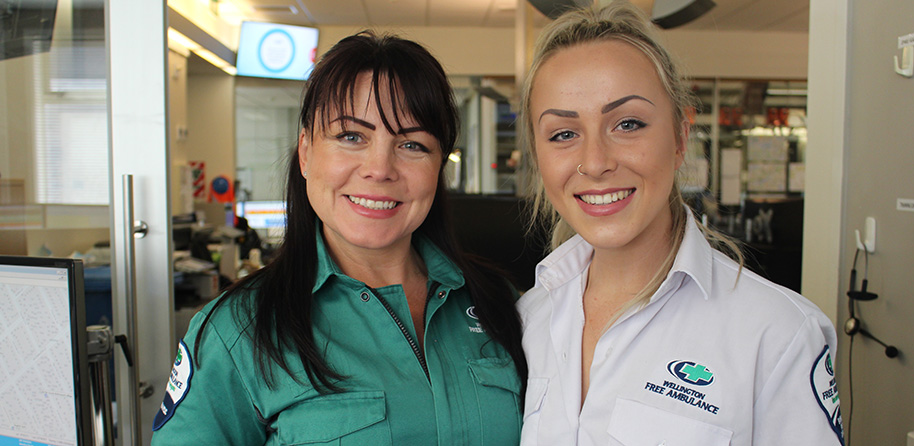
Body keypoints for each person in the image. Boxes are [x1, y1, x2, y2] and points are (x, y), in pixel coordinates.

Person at [151, 32, 526, 445]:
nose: (379, 168)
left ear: (439, 167)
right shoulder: (238, 331)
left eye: (412, 144)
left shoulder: (500, 303)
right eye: (351, 137)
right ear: (306, 152)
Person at [516, 2, 843, 445]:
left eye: (628, 124)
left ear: (680, 136)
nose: (594, 163)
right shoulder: (529, 317)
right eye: (563, 134)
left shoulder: (777, 334)